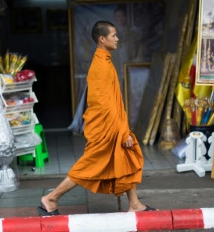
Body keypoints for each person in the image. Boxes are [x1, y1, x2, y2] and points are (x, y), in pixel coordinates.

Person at [38, 21, 155, 216]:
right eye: (114, 35)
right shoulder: (100, 66)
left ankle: (134, 203)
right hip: (105, 129)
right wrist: (122, 131)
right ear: (102, 39)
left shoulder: (105, 60)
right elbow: (103, 106)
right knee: (88, 167)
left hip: (112, 126)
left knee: (125, 157)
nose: (117, 39)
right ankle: (51, 198)